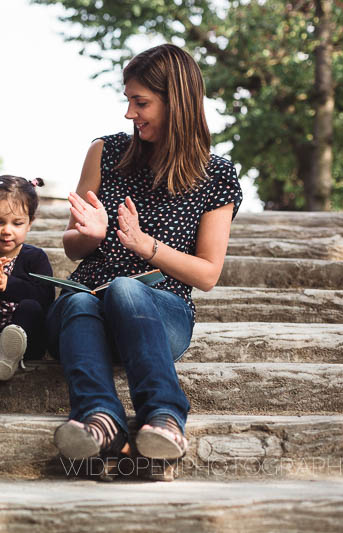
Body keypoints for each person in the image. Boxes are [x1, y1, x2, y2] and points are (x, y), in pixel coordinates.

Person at [47, 44, 242, 473]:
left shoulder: (217, 176)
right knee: (77, 301)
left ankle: (165, 419)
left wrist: (145, 246)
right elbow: (72, 245)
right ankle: (101, 420)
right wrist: (90, 236)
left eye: (141, 102)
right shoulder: (105, 151)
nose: (129, 113)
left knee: (125, 289)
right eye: (128, 100)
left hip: (161, 314)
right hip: (87, 309)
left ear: (177, 103)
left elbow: (207, 274)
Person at [0, 168, 54, 388]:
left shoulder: (35, 257)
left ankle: (10, 356)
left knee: (30, 307)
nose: (7, 230)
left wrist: (9, 284)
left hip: (26, 338)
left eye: (17, 223)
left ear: (30, 223)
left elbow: (45, 299)